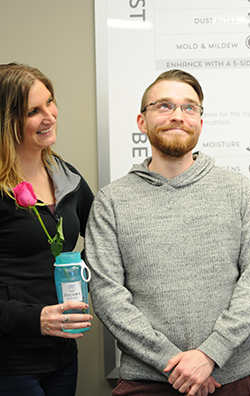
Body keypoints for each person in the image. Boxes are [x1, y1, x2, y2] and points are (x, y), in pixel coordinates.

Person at [85, 69, 250, 396]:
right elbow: (106, 295)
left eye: (190, 107)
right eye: (164, 106)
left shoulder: (239, 191)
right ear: (142, 121)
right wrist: (175, 363)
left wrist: (210, 354)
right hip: (146, 381)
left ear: (201, 120)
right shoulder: (111, 202)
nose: (178, 116)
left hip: (229, 379)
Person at [0, 63, 94, 396]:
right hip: (10, 363)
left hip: (62, 356)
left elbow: (103, 240)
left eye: (50, 102)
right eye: (33, 111)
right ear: (6, 121)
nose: (49, 116)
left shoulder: (66, 176)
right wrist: (35, 319)